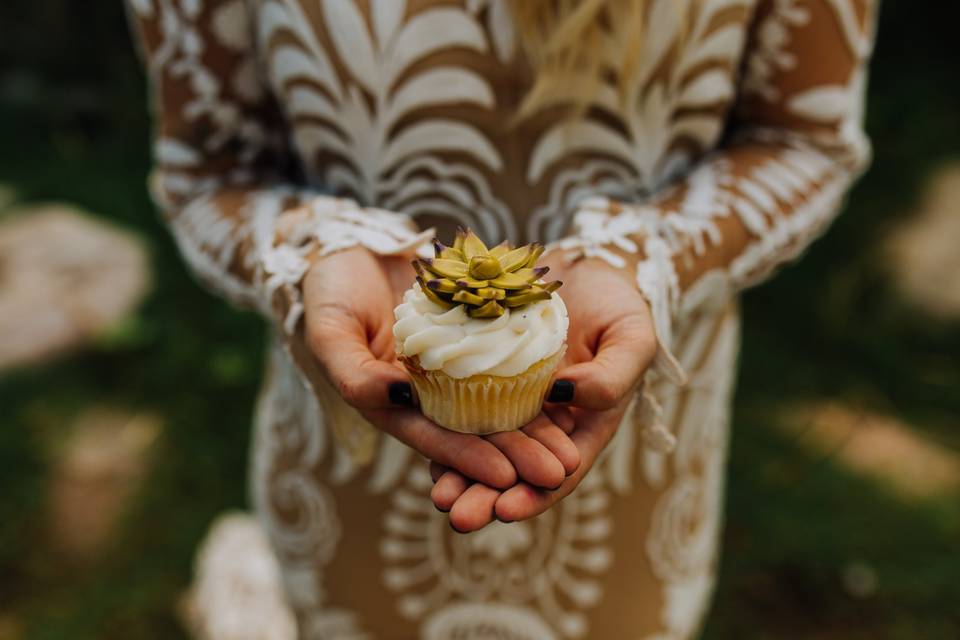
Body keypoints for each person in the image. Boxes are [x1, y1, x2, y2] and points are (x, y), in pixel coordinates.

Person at [127, 0, 876, 637]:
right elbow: (210, 171)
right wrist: (315, 250)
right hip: (349, 438)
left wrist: (646, 259)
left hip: (625, 448)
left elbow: (801, 139)